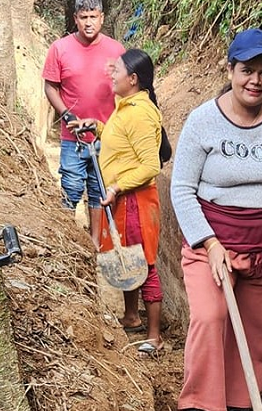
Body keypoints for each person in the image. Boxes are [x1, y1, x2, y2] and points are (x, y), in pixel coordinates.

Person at [169, 28, 262, 411]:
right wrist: (210, 243)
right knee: (210, 317)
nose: (256, 81)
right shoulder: (202, 121)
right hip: (212, 243)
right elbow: (181, 190)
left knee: (259, 327)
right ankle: (198, 401)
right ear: (230, 69)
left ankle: (243, 399)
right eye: (247, 70)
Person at [93, 48, 172, 354]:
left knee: (145, 262)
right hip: (123, 196)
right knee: (128, 257)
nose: (112, 74)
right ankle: (131, 316)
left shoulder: (139, 113)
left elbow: (150, 164)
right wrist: (97, 128)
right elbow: (121, 141)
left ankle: (154, 336)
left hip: (135, 199)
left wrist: (118, 187)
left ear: (134, 79)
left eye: (118, 70)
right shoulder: (126, 106)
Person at [42, 0, 123, 244]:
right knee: (71, 188)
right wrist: (66, 114)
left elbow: (126, 88)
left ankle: (94, 244)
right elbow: (50, 86)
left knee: (100, 190)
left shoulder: (116, 50)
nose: (89, 22)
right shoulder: (60, 49)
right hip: (73, 138)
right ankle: (66, 244)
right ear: (75, 18)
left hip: (106, 136)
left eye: (93, 16)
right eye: (83, 17)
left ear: (102, 17)